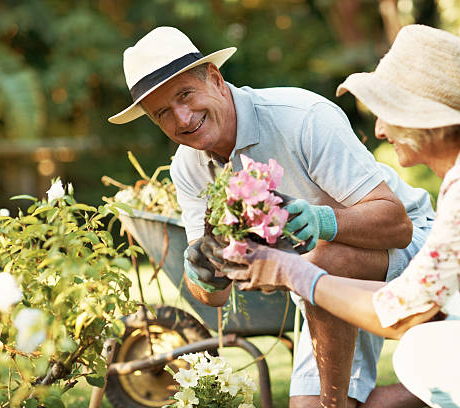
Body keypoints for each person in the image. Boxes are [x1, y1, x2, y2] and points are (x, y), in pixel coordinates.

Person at [205, 24, 460, 408]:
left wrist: (293, 272)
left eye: (386, 113)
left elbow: (404, 317)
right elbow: (406, 300)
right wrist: (300, 274)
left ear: (423, 118)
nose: (377, 130)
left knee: (422, 351)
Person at [108, 26, 435, 407]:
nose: (182, 119)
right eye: (163, 112)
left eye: (185, 95)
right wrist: (202, 266)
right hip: (316, 285)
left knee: (322, 256)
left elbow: (397, 225)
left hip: (413, 249)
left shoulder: (302, 118)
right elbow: (212, 299)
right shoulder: (189, 166)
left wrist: (322, 222)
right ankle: (449, 395)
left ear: (215, 78)